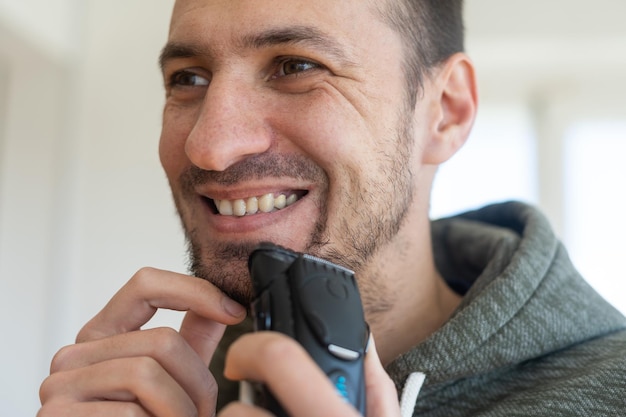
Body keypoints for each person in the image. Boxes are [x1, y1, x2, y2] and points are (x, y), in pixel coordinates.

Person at [38, 0, 626, 416]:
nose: (210, 146)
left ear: (445, 111)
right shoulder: (160, 396)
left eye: (296, 66)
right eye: (188, 78)